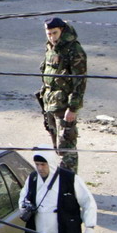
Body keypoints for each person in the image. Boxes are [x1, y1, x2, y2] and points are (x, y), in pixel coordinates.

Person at [39, 17, 87, 172]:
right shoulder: (51, 48)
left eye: (55, 33)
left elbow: (80, 82)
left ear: (62, 31)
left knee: (67, 149)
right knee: (57, 148)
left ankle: (70, 186)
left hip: (64, 107)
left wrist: (73, 109)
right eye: (49, 33)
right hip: (51, 104)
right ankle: (60, 181)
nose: (52, 37)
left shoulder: (74, 50)